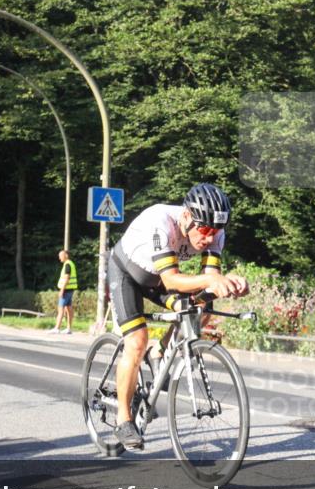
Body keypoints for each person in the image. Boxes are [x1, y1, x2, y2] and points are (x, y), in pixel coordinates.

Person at [107, 183, 249, 449]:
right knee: (136, 341)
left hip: (156, 281)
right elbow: (172, 280)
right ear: (186, 217)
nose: (209, 238)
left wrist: (231, 284)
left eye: (216, 232)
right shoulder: (160, 221)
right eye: (205, 230)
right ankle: (123, 419)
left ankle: (160, 352)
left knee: (202, 305)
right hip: (127, 275)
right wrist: (212, 279)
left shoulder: (215, 234)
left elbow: (209, 281)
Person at [49, 250, 77, 334]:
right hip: (70, 289)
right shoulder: (70, 263)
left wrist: (62, 290)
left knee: (60, 308)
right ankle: (69, 328)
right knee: (68, 309)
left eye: (61, 255)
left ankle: (57, 328)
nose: (59, 257)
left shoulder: (67, 264)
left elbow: (67, 278)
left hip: (66, 290)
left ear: (66, 255)